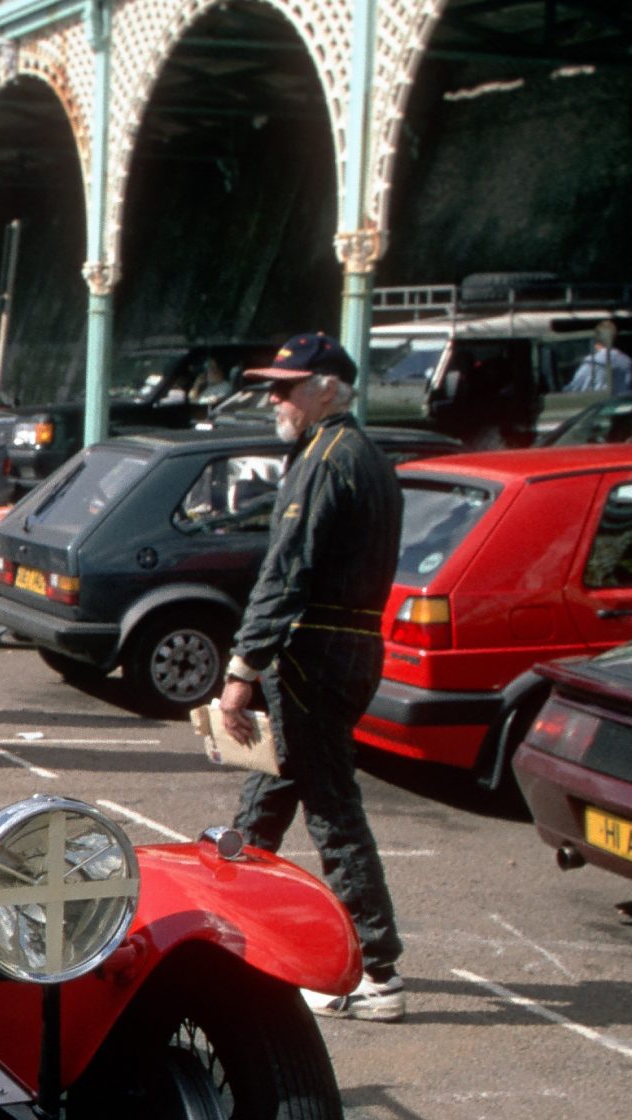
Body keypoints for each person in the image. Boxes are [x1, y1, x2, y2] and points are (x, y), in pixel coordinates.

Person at [216, 332, 407, 1023]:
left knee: (328, 805)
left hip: (314, 654)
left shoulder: (327, 457)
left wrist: (242, 670)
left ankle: (378, 970)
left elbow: (287, 571)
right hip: (343, 648)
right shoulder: (364, 456)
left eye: (287, 386)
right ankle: (232, 930)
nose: (275, 398)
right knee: (268, 793)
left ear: (327, 387)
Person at [563, 322, 632, 396]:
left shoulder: (592, 362)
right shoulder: (627, 362)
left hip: (596, 405)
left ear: (596, 340)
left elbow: (574, 388)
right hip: (619, 405)